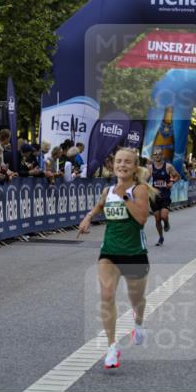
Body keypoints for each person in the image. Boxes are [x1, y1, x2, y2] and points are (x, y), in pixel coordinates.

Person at [77, 148, 153, 370]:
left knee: (136, 299)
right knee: (107, 294)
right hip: (109, 251)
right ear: (113, 165)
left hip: (134, 253)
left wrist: (125, 196)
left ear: (134, 166)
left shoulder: (139, 190)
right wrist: (88, 218)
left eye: (127, 162)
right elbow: (100, 206)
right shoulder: (107, 190)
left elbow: (141, 219)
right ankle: (111, 348)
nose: (122, 165)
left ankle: (138, 324)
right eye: (119, 161)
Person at [148, 148, 179, 246]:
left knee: (164, 216)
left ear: (162, 155)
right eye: (155, 154)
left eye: (159, 154)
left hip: (165, 195)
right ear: (153, 156)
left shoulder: (168, 166)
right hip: (154, 196)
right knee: (157, 219)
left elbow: (177, 176)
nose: (157, 156)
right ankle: (161, 237)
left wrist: (171, 182)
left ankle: (166, 223)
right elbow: (145, 180)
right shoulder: (150, 167)